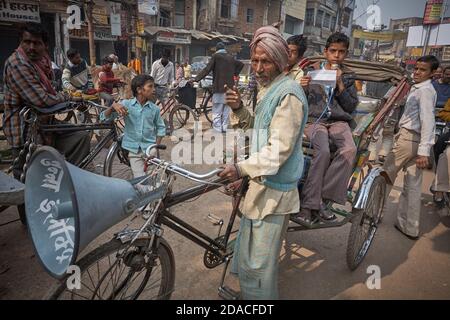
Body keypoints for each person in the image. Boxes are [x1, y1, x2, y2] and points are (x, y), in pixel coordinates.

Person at [221, 26, 308, 299]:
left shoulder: (289, 94)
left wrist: (240, 169)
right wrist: (238, 109)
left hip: (274, 192)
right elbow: (259, 130)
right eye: (255, 61)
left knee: (259, 265)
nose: (258, 68)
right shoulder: (269, 89)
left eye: (265, 61)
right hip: (261, 185)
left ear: (280, 61)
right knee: (249, 254)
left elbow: (278, 150)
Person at [3, 23, 90, 182]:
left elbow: (53, 91)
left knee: (81, 137)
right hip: (25, 129)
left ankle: (64, 182)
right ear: (20, 43)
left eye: (36, 43)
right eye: (26, 42)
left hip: (45, 124)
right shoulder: (18, 64)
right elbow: (42, 99)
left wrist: (70, 98)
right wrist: (69, 97)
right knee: (29, 183)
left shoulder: (43, 62)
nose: (31, 47)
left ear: (45, 46)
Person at [295, 32, 358, 223]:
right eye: (333, 51)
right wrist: (303, 88)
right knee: (322, 152)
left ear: (346, 54)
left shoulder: (348, 76)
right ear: (325, 52)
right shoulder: (312, 71)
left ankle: (322, 199)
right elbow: (300, 102)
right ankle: (308, 206)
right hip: (315, 121)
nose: (336, 55)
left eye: (341, 52)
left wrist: (340, 84)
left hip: (339, 121)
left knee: (349, 150)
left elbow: (350, 106)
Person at [382, 55, 439, 240]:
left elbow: (428, 121)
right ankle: (409, 227)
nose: (417, 72)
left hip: (409, 139)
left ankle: (373, 212)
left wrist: (424, 152)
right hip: (414, 140)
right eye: (416, 68)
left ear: (432, 73)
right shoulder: (419, 88)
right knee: (413, 186)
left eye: (422, 70)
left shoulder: (425, 91)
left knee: (387, 175)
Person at [100, 75, 166, 178]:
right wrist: (113, 107)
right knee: (139, 179)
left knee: (153, 177)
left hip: (150, 149)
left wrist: (155, 147)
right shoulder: (126, 104)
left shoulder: (155, 109)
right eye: (150, 86)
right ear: (139, 90)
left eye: (154, 87)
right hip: (133, 150)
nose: (154, 90)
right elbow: (103, 118)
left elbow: (161, 128)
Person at [194, 42, 244, 132]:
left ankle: (217, 129)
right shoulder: (230, 57)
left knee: (217, 110)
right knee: (226, 110)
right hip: (229, 89)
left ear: (217, 50)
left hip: (219, 88)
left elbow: (207, 69)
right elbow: (241, 64)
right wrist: (235, 73)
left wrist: (196, 79)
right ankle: (224, 128)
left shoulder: (216, 57)